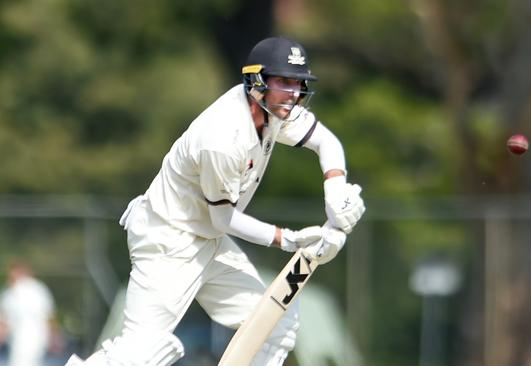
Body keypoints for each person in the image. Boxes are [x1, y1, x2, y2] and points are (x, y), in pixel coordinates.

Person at [65, 36, 365, 366]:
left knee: (274, 323)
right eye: (283, 82)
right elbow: (223, 218)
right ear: (257, 82)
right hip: (168, 240)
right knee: (143, 354)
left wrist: (336, 192)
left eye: (298, 83)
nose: (293, 93)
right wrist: (288, 239)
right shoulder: (223, 136)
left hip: (209, 240)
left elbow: (327, 142)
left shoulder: (276, 109)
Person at [0, 261, 56, 366]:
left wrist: (53, 336)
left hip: (33, 338)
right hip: (22, 339)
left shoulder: (33, 290)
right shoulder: (37, 289)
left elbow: (48, 315)